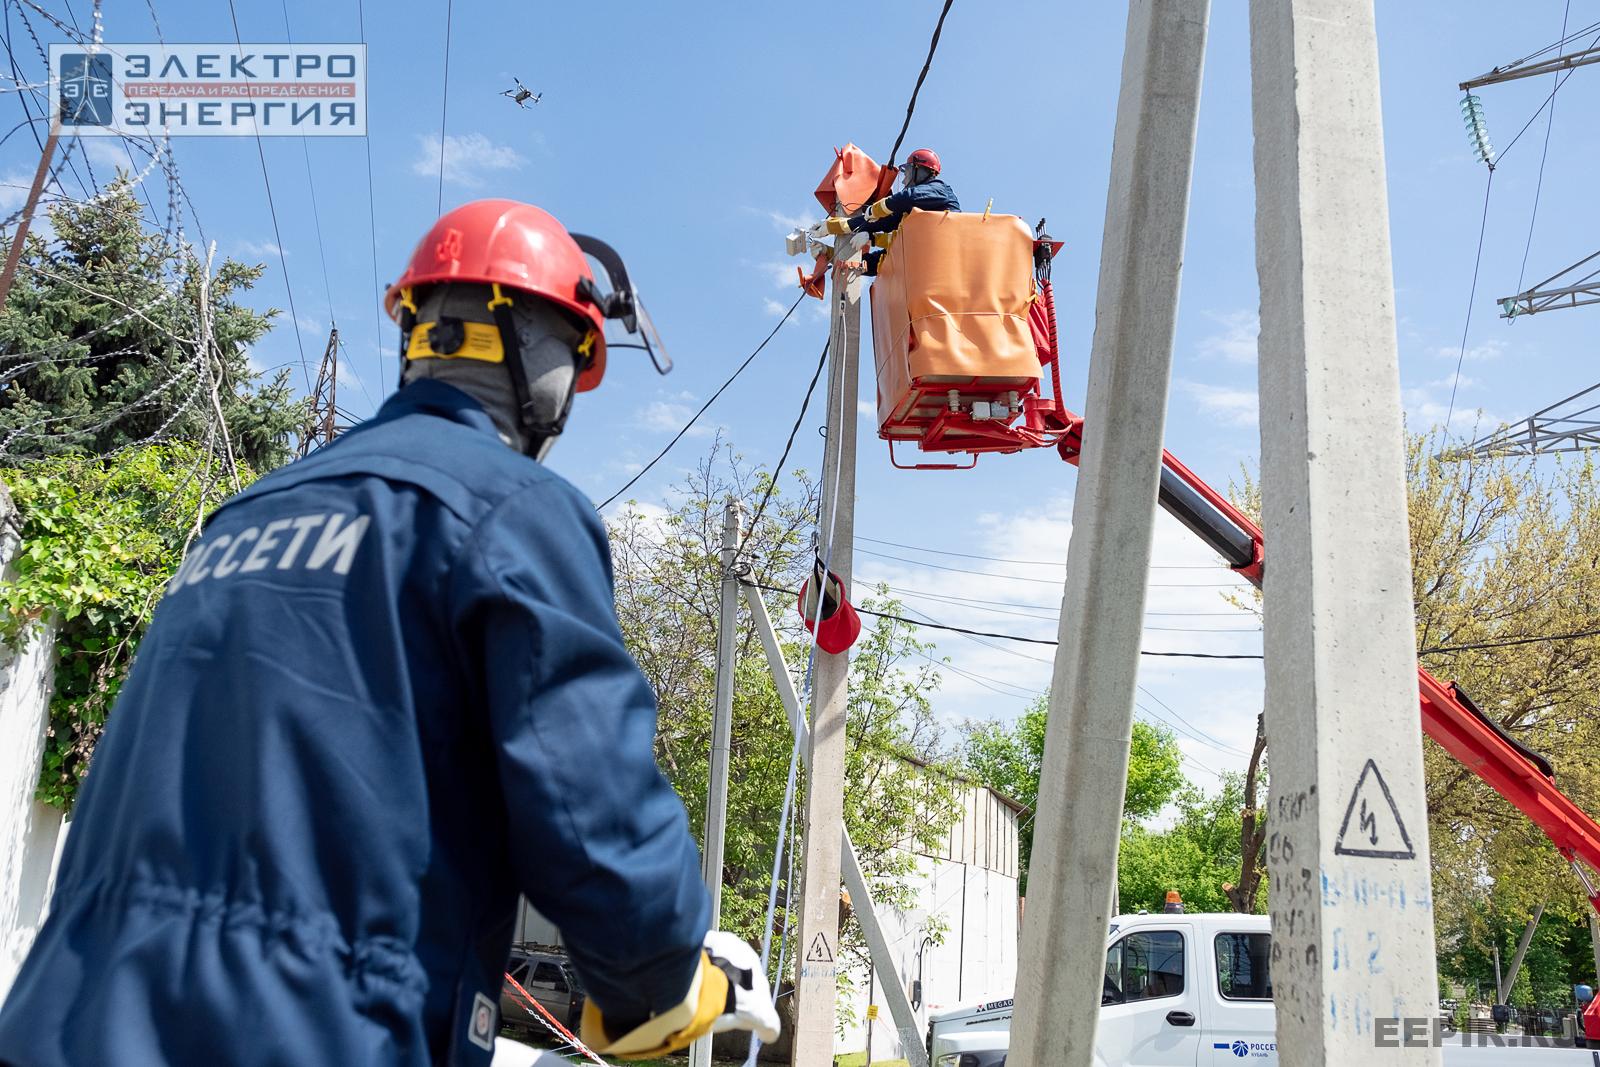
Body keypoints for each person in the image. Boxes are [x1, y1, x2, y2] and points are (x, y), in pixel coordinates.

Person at [0, 200, 779, 1066]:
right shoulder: (513, 511)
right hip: (311, 1028)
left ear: (417, 334)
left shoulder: (242, 518)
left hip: (63, 1018)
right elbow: (596, 822)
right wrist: (669, 976)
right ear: (537, 353)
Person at [812, 147, 961, 274]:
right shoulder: (913, 220)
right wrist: (832, 235)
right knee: (885, 260)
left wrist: (877, 209)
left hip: (946, 258)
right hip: (927, 265)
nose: (904, 180)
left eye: (907, 173)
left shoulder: (941, 190)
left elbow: (908, 198)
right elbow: (879, 224)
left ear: (919, 170)